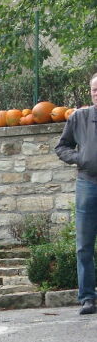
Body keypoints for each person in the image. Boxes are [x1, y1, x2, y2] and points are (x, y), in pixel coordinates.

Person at [55, 73, 97, 315]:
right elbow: (61, 147)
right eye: (94, 90)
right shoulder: (79, 117)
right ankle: (87, 298)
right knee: (84, 246)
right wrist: (79, 158)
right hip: (87, 185)